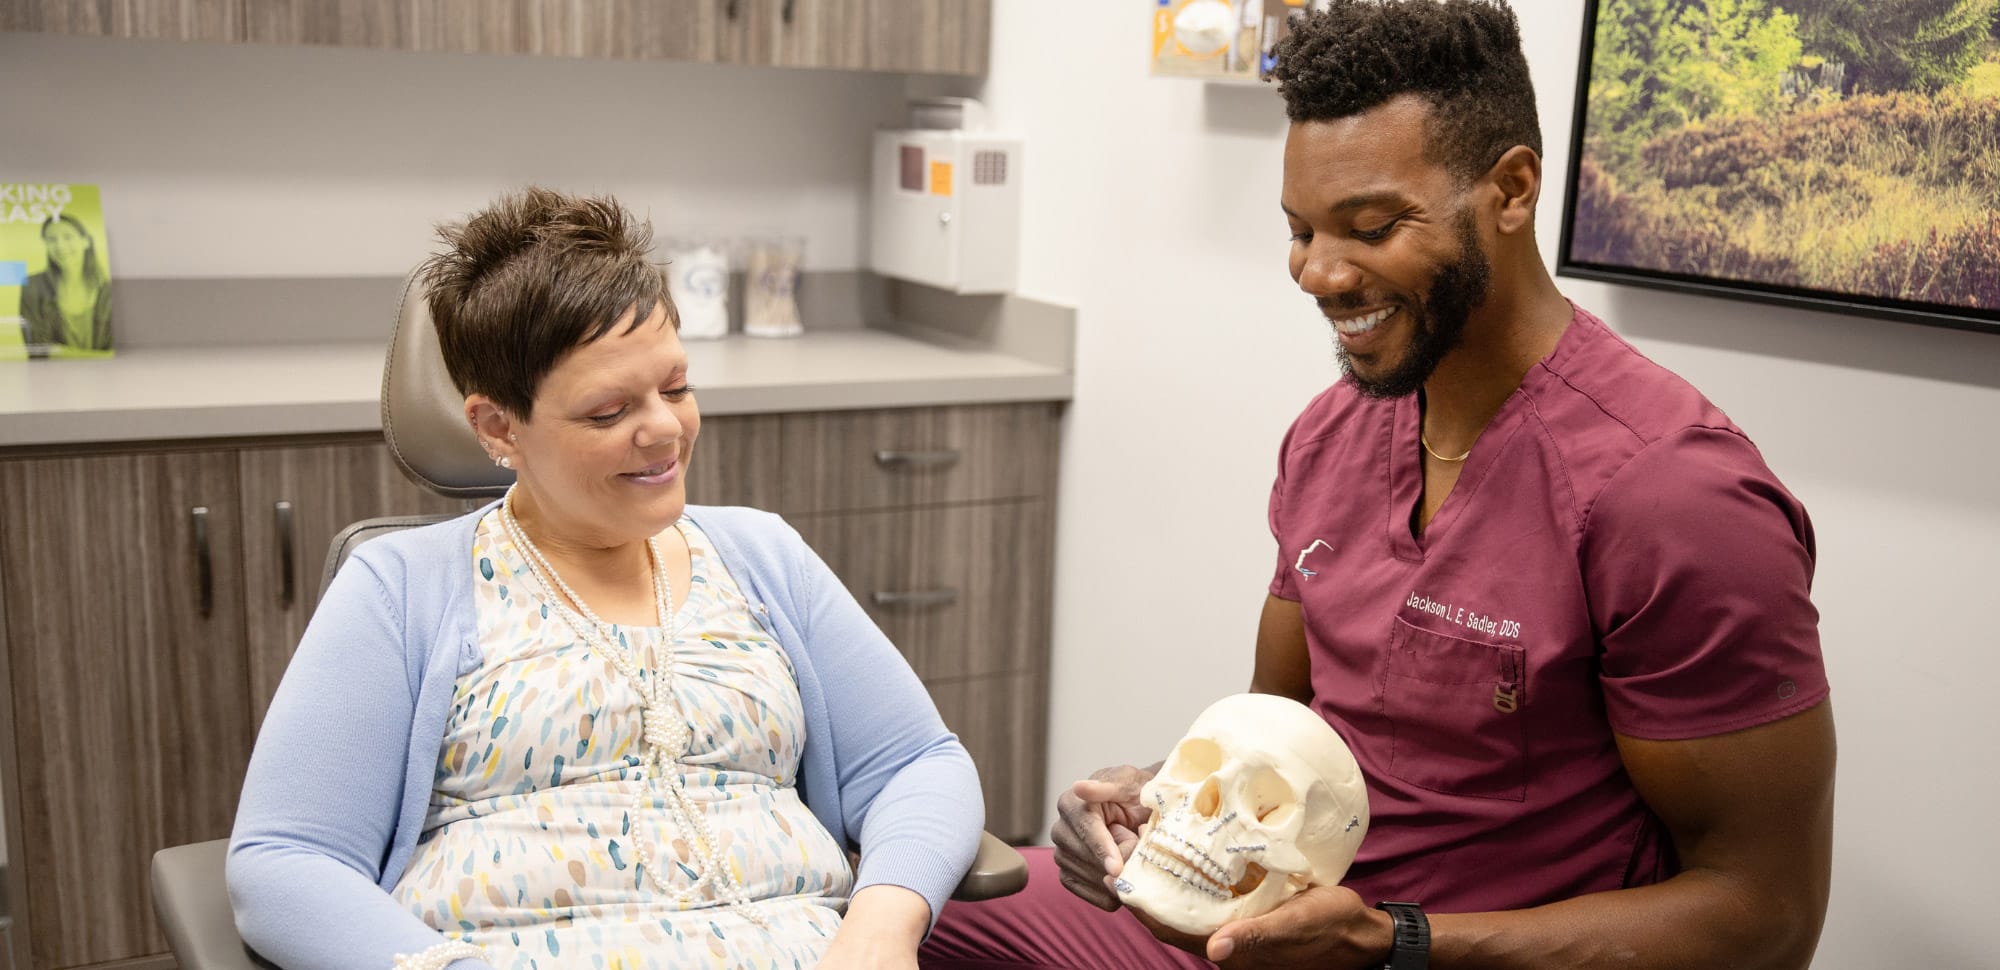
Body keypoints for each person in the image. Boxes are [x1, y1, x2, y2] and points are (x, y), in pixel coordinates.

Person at [921, 2, 1835, 968]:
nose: (1317, 273)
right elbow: (1277, 733)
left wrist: (1400, 943)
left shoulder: (1675, 498)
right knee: (893, 914)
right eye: (1300, 230)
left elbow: (1765, 916)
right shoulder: (1334, 434)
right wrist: (1157, 807)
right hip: (1283, 935)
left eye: (1369, 227)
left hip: (1440, 951)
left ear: (1513, 189)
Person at [229, 187, 983, 970]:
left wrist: (881, 923)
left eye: (677, 387)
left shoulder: (763, 557)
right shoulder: (402, 590)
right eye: (606, 411)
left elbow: (918, 765)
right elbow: (285, 858)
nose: (664, 428)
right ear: (497, 426)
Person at [20, 212, 113, 352]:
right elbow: (36, 347)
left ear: (85, 241)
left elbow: (109, 347)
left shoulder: (106, 289)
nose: (60, 246)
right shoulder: (32, 285)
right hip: (50, 371)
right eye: (51, 239)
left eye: (68, 237)